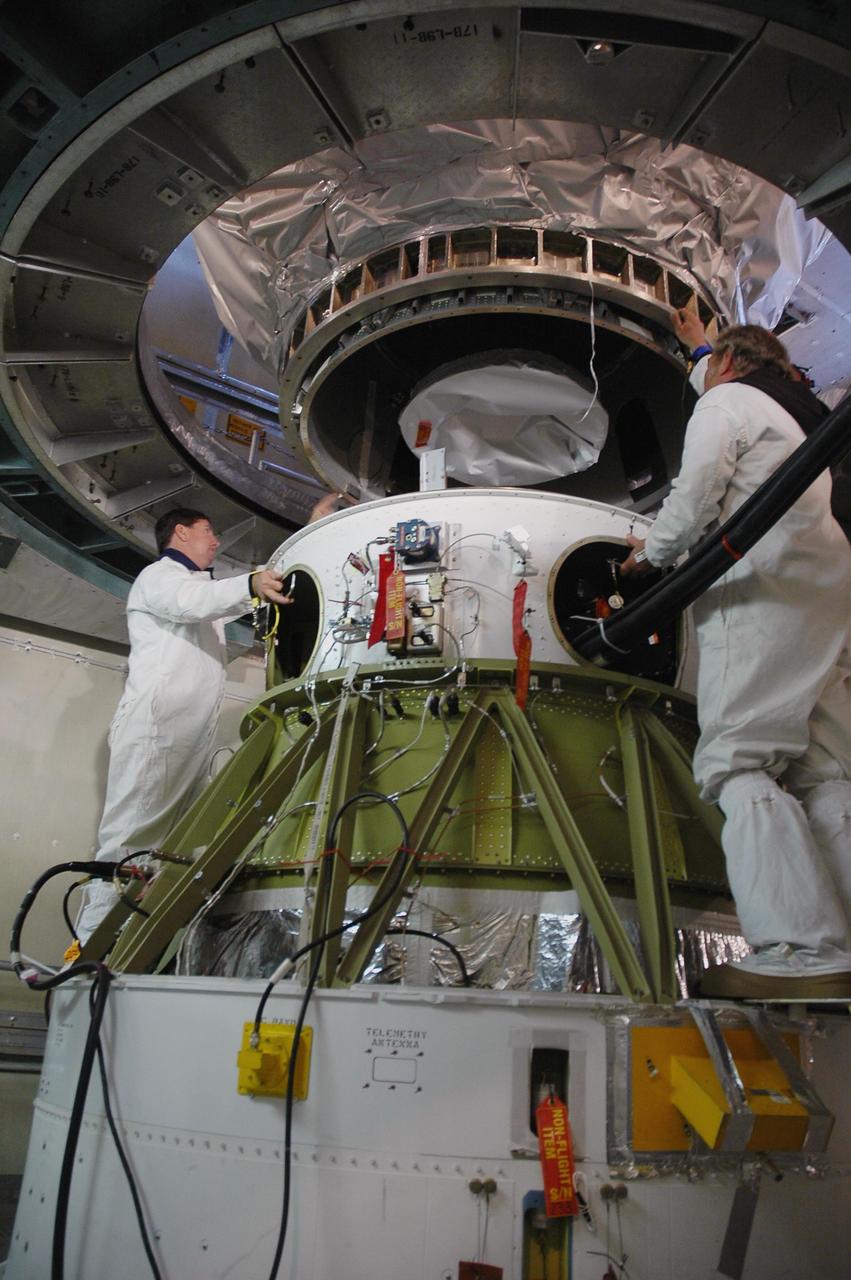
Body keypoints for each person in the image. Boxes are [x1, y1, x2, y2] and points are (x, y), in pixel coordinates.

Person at [621, 317, 851, 999]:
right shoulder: (800, 420)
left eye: (703, 365)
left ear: (723, 363)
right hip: (826, 598)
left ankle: (801, 946)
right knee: (826, 772)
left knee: (738, 761)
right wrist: (701, 344)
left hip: (762, 589)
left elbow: (694, 497)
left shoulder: (726, 403)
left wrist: (651, 560)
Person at [76, 508, 292, 944]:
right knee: (129, 844)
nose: (215, 541)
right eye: (209, 530)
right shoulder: (161, 577)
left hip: (186, 739)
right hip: (157, 731)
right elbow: (191, 604)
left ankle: (129, 953)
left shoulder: (200, 590)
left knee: (169, 851)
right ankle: (87, 956)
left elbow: (213, 601)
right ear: (180, 532)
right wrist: (250, 582)